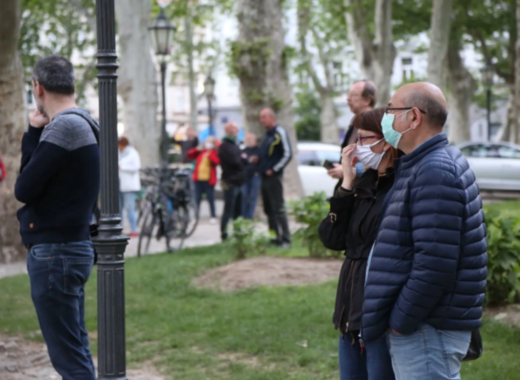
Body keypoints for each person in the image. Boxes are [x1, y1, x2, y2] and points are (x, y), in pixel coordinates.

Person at [362, 82, 488, 380]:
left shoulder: (434, 170)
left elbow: (434, 264)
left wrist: (401, 321)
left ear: (414, 117)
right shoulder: (424, 164)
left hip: (426, 329)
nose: (385, 118)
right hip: (424, 326)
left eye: (391, 109)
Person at [14, 55, 99, 380]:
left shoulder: (65, 127)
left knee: (69, 359)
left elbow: (24, 187)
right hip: (73, 248)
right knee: (75, 348)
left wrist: (32, 135)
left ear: (38, 87)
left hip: (55, 253)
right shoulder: (88, 123)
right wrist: (37, 131)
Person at [318, 108, 396, 380]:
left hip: (378, 316)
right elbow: (332, 238)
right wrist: (347, 184)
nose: (354, 147)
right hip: (349, 313)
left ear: (386, 141)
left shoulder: (400, 188)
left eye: (362, 139)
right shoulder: (365, 182)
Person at [328, 80, 377, 191]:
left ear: (367, 100)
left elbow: (380, 159)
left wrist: (348, 170)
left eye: (354, 95)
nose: (348, 99)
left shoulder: (375, 126)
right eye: (348, 94)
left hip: (364, 189)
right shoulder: (354, 125)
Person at [259, 108, 292, 248]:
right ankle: (275, 237)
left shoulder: (280, 132)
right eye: (261, 117)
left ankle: (286, 239)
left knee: (278, 207)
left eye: (264, 117)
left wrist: (274, 169)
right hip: (263, 178)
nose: (262, 120)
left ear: (272, 118)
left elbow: (288, 154)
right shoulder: (267, 135)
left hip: (274, 178)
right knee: (269, 209)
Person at [218, 122, 247, 240]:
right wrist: (243, 160)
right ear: (229, 130)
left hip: (238, 181)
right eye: (235, 129)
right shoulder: (225, 146)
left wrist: (242, 160)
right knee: (228, 210)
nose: (237, 130)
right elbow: (236, 162)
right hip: (230, 181)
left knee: (238, 210)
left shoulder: (235, 145)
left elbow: (240, 160)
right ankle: (224, 234)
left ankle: (238, 233)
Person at [188, 136, 219, 223]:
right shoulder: (201, 152)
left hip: (209, 180)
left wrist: (210, 156)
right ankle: (196, 215)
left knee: (210, 198)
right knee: (197, 198)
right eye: (207, 142)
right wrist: (196, 149)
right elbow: (190, 155)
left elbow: (217, 162)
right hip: (198, 179)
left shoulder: (214, 152)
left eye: (210, 142)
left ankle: (213, 216)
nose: (208, 144)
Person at [118, 136, 141, 238]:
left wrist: (122, 167)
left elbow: (136, 167)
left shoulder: (133, 153)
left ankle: (133, 229)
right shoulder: (118, 153)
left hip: (129, 186)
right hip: (119, 184)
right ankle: (119, 228)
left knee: (130, 208)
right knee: (118, 209)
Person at [241, 132, 262, 219]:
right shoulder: (243, 151)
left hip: (255, 176)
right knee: (244, 196)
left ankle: (250, 217)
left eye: (250, 139)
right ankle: (243, 216)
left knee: (253, 197)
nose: (248, 141)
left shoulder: (259, 151)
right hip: (245, 176)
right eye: (247, 139)